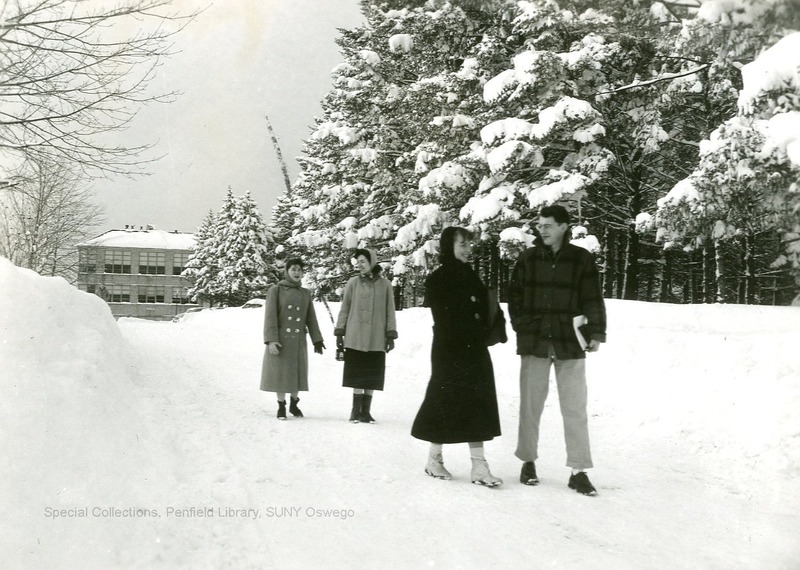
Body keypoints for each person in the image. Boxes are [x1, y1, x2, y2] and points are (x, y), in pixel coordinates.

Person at [508, 205, 606, 495]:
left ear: (564, 226)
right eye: (540, 225)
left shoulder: (581, 259)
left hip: (569, 342)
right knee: (530, 406)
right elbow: (514, 298)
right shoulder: (528, 258)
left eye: (548, 225)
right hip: (535, 341)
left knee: (575, 408)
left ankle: (579, 470)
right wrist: (524, 325)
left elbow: (592, 298)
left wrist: (597, 332)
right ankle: (528, 462)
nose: (543, 230)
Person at [411, 227, 503, 487]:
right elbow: (445, 318)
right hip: (449, 351)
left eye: (467, 244)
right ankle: (434, 459)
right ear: (448, 246)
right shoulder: (438, 279)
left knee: (479, 402)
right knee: (444, 401)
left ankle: (479, 466)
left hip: (474, 349)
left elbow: (482, 306)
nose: (466, 248)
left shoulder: (470, 274)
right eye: (461, 244)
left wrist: (492, 325)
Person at [334, 248, 398, 423]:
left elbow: (390, 310)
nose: (359, 265)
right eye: (358, 261)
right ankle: (356, 410)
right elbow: (345, 307)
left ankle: (366, 411)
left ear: (372, 262)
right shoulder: (353, 283)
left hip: (376, 335)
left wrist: (390, 334)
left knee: (372, 372)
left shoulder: (385, 284)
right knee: (357, 371)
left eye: (363, 261)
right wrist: (340, 331)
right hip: (355, 334)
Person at [260, 258, 325, 419]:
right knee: (281, 374)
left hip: (298, 341)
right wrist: (271, 340)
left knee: (296, 373)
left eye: (299, 270)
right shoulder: (276, 290)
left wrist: (317, 339)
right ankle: (281, 406)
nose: (297, 272)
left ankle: (294, 404)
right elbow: (270, 317)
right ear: (287, 271)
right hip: (281, 340)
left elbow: (311, 318)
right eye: (293, 269)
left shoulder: (305, 293)